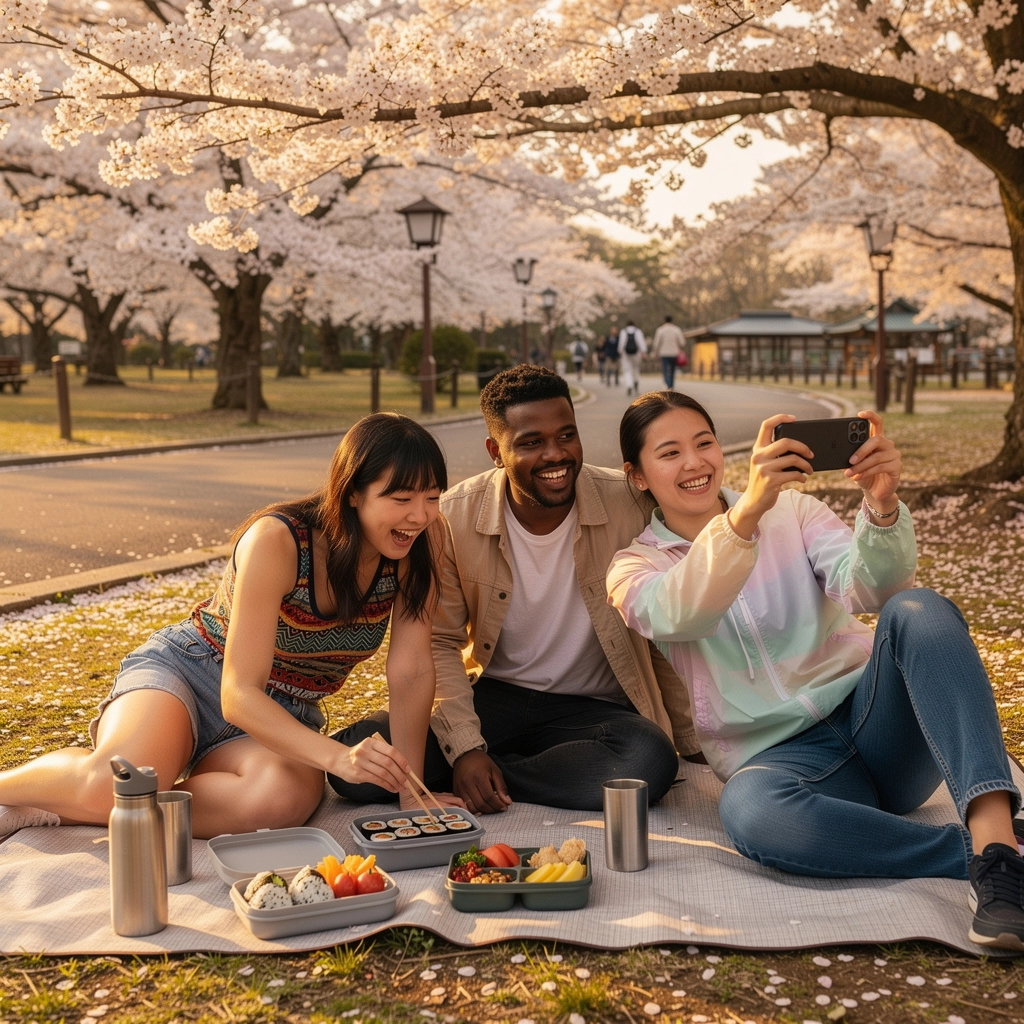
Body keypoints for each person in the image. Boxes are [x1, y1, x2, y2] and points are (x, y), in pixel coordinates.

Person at [606, 390, 1024, 951]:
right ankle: (980, 853)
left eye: (704, 443)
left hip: (879, 724)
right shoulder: (634, 567)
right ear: (636, 476)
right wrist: (743, 518)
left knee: (918, 609)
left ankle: (998, 846)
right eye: (670, 452)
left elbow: (870, 589)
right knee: (750, 811)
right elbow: (682, 612)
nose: (694, 462)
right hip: (787, 763)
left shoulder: (793, 512)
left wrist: (882, 506)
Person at [0, 413, 460, 841]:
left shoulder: (423, 541)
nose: (420, 515)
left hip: (282, 715)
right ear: (352, 492)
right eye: (401, 499)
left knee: (276, 803)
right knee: (116, 783)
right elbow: (238, 693)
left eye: (432, 497)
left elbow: (412, 670)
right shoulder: (278, 540)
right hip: (190, 674)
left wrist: (412, 794)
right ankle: (30, 792)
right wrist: (337, 756)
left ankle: (93, 805)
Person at [330, 366, 700, 813]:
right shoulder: (451, 518)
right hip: (494, 697)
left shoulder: (630, 504)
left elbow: (665, 625)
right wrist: (466, 747)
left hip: (593, 708)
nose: (555, 455)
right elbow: (440, 642)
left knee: (648, 762)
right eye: (531, 443)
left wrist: (692, 738)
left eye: (567, 436)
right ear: (495, 451)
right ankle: (495, 768)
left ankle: (497, 776)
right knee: (356, 771)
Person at [650, 315, 686, 389]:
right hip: (674, 353)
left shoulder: (660, 330)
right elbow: (682, 342)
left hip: (664, 353)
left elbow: (656, 343)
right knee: (672, 370)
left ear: (664, 320)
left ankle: (668, 384)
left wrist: (655, 351)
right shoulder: (676, 330)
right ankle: (671, 385)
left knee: (665, 370)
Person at [617, 320, 647, 396]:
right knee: (636, 369)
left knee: (627, 370)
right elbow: (641, 342)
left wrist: (620, 351)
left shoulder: (623, 331)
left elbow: (621, 343)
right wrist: (643, 352)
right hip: (637, 354)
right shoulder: (638, 331)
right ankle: (635, 384)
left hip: (626, 354)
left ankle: (629, 385)